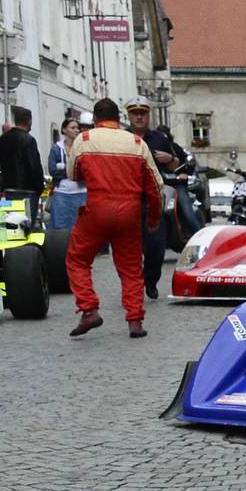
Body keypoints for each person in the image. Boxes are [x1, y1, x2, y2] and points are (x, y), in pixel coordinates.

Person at [65, 97, 164, 339]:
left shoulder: (84, 140)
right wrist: (153, 218)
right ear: (118, 119)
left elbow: (73, 173)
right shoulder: (136, 142)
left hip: (97, 208)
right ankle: (135, 320)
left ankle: (88, 309)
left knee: (77, 259)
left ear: (96, 119)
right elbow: (155, 186)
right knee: (131, 268)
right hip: (129, 211)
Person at [127, 99, 184, 300]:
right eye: (135, 113)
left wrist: (169, 159)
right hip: (128, 197)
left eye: (143, 112)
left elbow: (175, 164)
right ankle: (132, 285)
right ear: (129, 115)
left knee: (156, 246)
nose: (139, 116)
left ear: (148, 115)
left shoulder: (159, 138)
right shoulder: (122, 138)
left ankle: (150, 280)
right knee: (129, 246)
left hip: (152, 197)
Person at [0, 106, 45, 223]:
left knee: (12, 224)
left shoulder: (3, 138)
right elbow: (34, 166)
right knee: (27, 223)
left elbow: (0, 162)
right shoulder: (29, 140)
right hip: (27, 190)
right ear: (29, 121)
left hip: (9, 187)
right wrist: (40, 187)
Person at [47, 115, 87, 230]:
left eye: (77, 128)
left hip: (81, 192)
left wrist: (64, 169)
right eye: (72, 127)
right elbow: (53, 171)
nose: (76, 130)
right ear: (64, 130)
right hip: (62, 193)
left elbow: (85, 169)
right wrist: (74, 171)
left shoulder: (82, 147)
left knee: (80, 227)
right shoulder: (56, 148)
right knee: (60, 228)